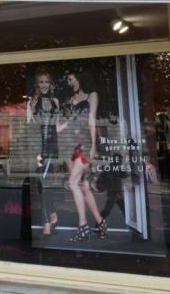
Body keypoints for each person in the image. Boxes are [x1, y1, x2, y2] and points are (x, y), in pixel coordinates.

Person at [62, 71, 107, 242]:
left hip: (85, 146)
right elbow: (67, 123)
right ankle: (101, 222)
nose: (70, 82)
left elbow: (91, 120)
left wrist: (94, 145)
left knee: (73, 183)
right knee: (84, 185)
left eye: (72, 79)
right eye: (68, 80)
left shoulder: (91, 96)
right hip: (70, 145)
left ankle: (83, 227)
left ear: (80, 79)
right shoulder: (70, 101)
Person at [28, 66, 67, 236]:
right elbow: (29, 125)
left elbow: (57, 127)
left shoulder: (56, 102)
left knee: (44, 185)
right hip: (38, 147)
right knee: (41, 185)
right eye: (41, 82)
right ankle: (53, 217)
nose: (44, 84)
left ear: (50, 84)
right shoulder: (31, 102)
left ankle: (46, 223)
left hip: (51, 148)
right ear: (38, 84)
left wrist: (72, 122)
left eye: (46, 82)